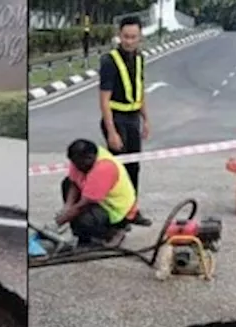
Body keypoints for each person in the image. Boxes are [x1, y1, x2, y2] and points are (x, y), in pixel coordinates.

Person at [98, 15, 151, 226]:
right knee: (117, 171)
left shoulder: (139, 58)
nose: (129, 41)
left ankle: (132, 211)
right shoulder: (109, 61)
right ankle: (116, 216)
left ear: (140, 37)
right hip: (116, 119)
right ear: (119, 36)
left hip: (133, 119)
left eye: (134, 37)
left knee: (134, 167)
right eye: (126, 37)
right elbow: (104, 100)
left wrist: (146, 119)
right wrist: (111, 131)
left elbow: (140, 91)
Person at [54, 138, 139, 248]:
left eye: (79, 164)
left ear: (90, 158)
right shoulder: (80, 159)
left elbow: (82, 205)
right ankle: (82, 237)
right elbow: (73, 182)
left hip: (116, 209)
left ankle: (113, 232)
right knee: (66, 183)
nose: (76, 167)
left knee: (84, 218)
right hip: (100, 198)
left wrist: (57, 223)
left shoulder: (103, 169)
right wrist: (67, 207)